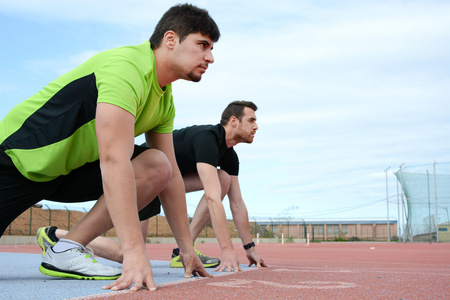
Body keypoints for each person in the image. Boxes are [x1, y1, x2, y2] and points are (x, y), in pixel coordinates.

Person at [0, 3, 220, 292]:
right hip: (17, 163)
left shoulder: (165, 99)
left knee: (158, 166)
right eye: (203, 45)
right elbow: (113, 158)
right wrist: (134, 252)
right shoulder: (126, 68)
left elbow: (173, 177)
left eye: (211, 48)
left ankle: (65, 249)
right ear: (170, 40)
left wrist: (187, 249)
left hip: (70, 171)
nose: (210, 57)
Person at [37, 101, 267, 272]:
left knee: (223, 178)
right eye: (252, 120)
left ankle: (182, 251)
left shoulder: (229, 156)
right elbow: (212, 198)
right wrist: (227, 251)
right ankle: (57, 235)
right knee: (129, 255)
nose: (256, 126)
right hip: (143, 180)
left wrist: (249, 247)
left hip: (167, 185)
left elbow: (237, 203)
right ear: (233, 121)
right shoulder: (207, 138)